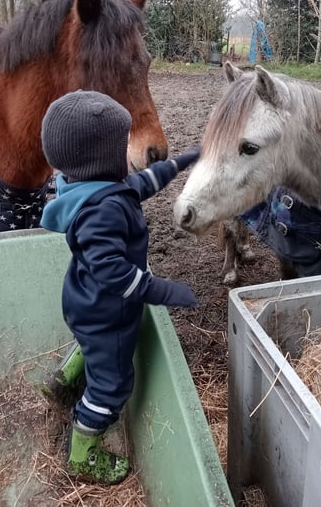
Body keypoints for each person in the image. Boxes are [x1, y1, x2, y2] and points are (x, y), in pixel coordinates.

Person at [38, 90, 199, 484]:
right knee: (113, 384)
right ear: (102, 155)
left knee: (92, 346)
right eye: (123, 142)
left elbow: (140, 183)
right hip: (107, 311)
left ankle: (63, 379)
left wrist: (181, 162)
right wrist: (163, 291)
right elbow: (113, 273)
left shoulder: (90, 187)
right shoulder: (103, 211)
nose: (130, 149)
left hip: (84, 302)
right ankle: (82, 451)